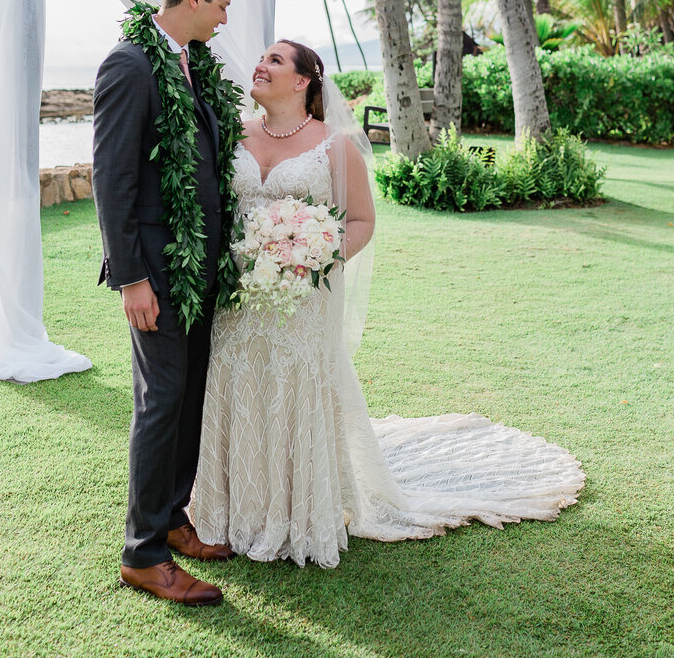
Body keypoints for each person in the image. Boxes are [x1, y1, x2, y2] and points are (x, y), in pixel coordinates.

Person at [194, 40, 585, 569]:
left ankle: (293, 514)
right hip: (238, 297)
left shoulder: (334, 146)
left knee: (291, 387)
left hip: (298, 299)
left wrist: (311, 260)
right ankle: (232, 507)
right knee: (238, 384)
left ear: (304, 80)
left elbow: (360, 222)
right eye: (260, 56)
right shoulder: (232, 135)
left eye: (275, 60)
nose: (259, 65)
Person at [92, 0, 243, 607]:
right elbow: (112, 179)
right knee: (160, 403)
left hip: (199, 267)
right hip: (156, 271)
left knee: (188, 398)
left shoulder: (190, 64)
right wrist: (131, 279)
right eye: (222, 5)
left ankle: (175, 520)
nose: (225, 19)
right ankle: (142, 554)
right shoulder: (129, 65)